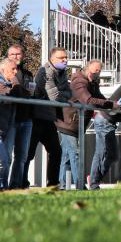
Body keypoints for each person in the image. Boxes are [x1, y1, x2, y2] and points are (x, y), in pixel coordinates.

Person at [55, 60, 115, 190]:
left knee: (66, 156)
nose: (97, 74)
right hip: (68, 122)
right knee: (75, 153)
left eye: (99, 71)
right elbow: (88, 100)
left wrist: (111, 102)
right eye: (95, 71)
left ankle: (62, 185)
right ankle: (80, 185)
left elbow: (98, 97)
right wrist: (111, 104)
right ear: (88, 69)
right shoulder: (79, 82)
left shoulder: (92, 82)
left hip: (78, 122)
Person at [0, 58, 30, 192]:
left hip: (1, 128)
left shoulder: (6, 83)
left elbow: (25, 96)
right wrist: (16, 82)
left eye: (16, 69)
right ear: (3, 70)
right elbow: (16, 94)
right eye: (13, 69)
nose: (15, 72)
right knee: (0, 159)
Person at [25, 47, 70, 187]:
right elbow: (54, 96)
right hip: (37, 117)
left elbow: (69, 92)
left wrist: (64, 95)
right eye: (61, 58)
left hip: (49, 117)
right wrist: (65, 97)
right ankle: (20, 181)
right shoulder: (44, 71)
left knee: (56, 151)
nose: (65, 60)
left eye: (65, 57)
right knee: (29, 153)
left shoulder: (62, 73)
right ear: (52, 58)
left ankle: (53, 184)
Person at [6, 44, 35, 189]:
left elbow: (32, 93)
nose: (16, 57)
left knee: (22, 156)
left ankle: (15, 186)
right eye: (12, 54)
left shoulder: (28, 74)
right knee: (5, 156)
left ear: (23, 56)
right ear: (7, 56)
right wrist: (24, 93)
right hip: (11, 119)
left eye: (18, 54)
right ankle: (1, 185)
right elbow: (17, 92)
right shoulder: (5, 72)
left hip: (26, 119)